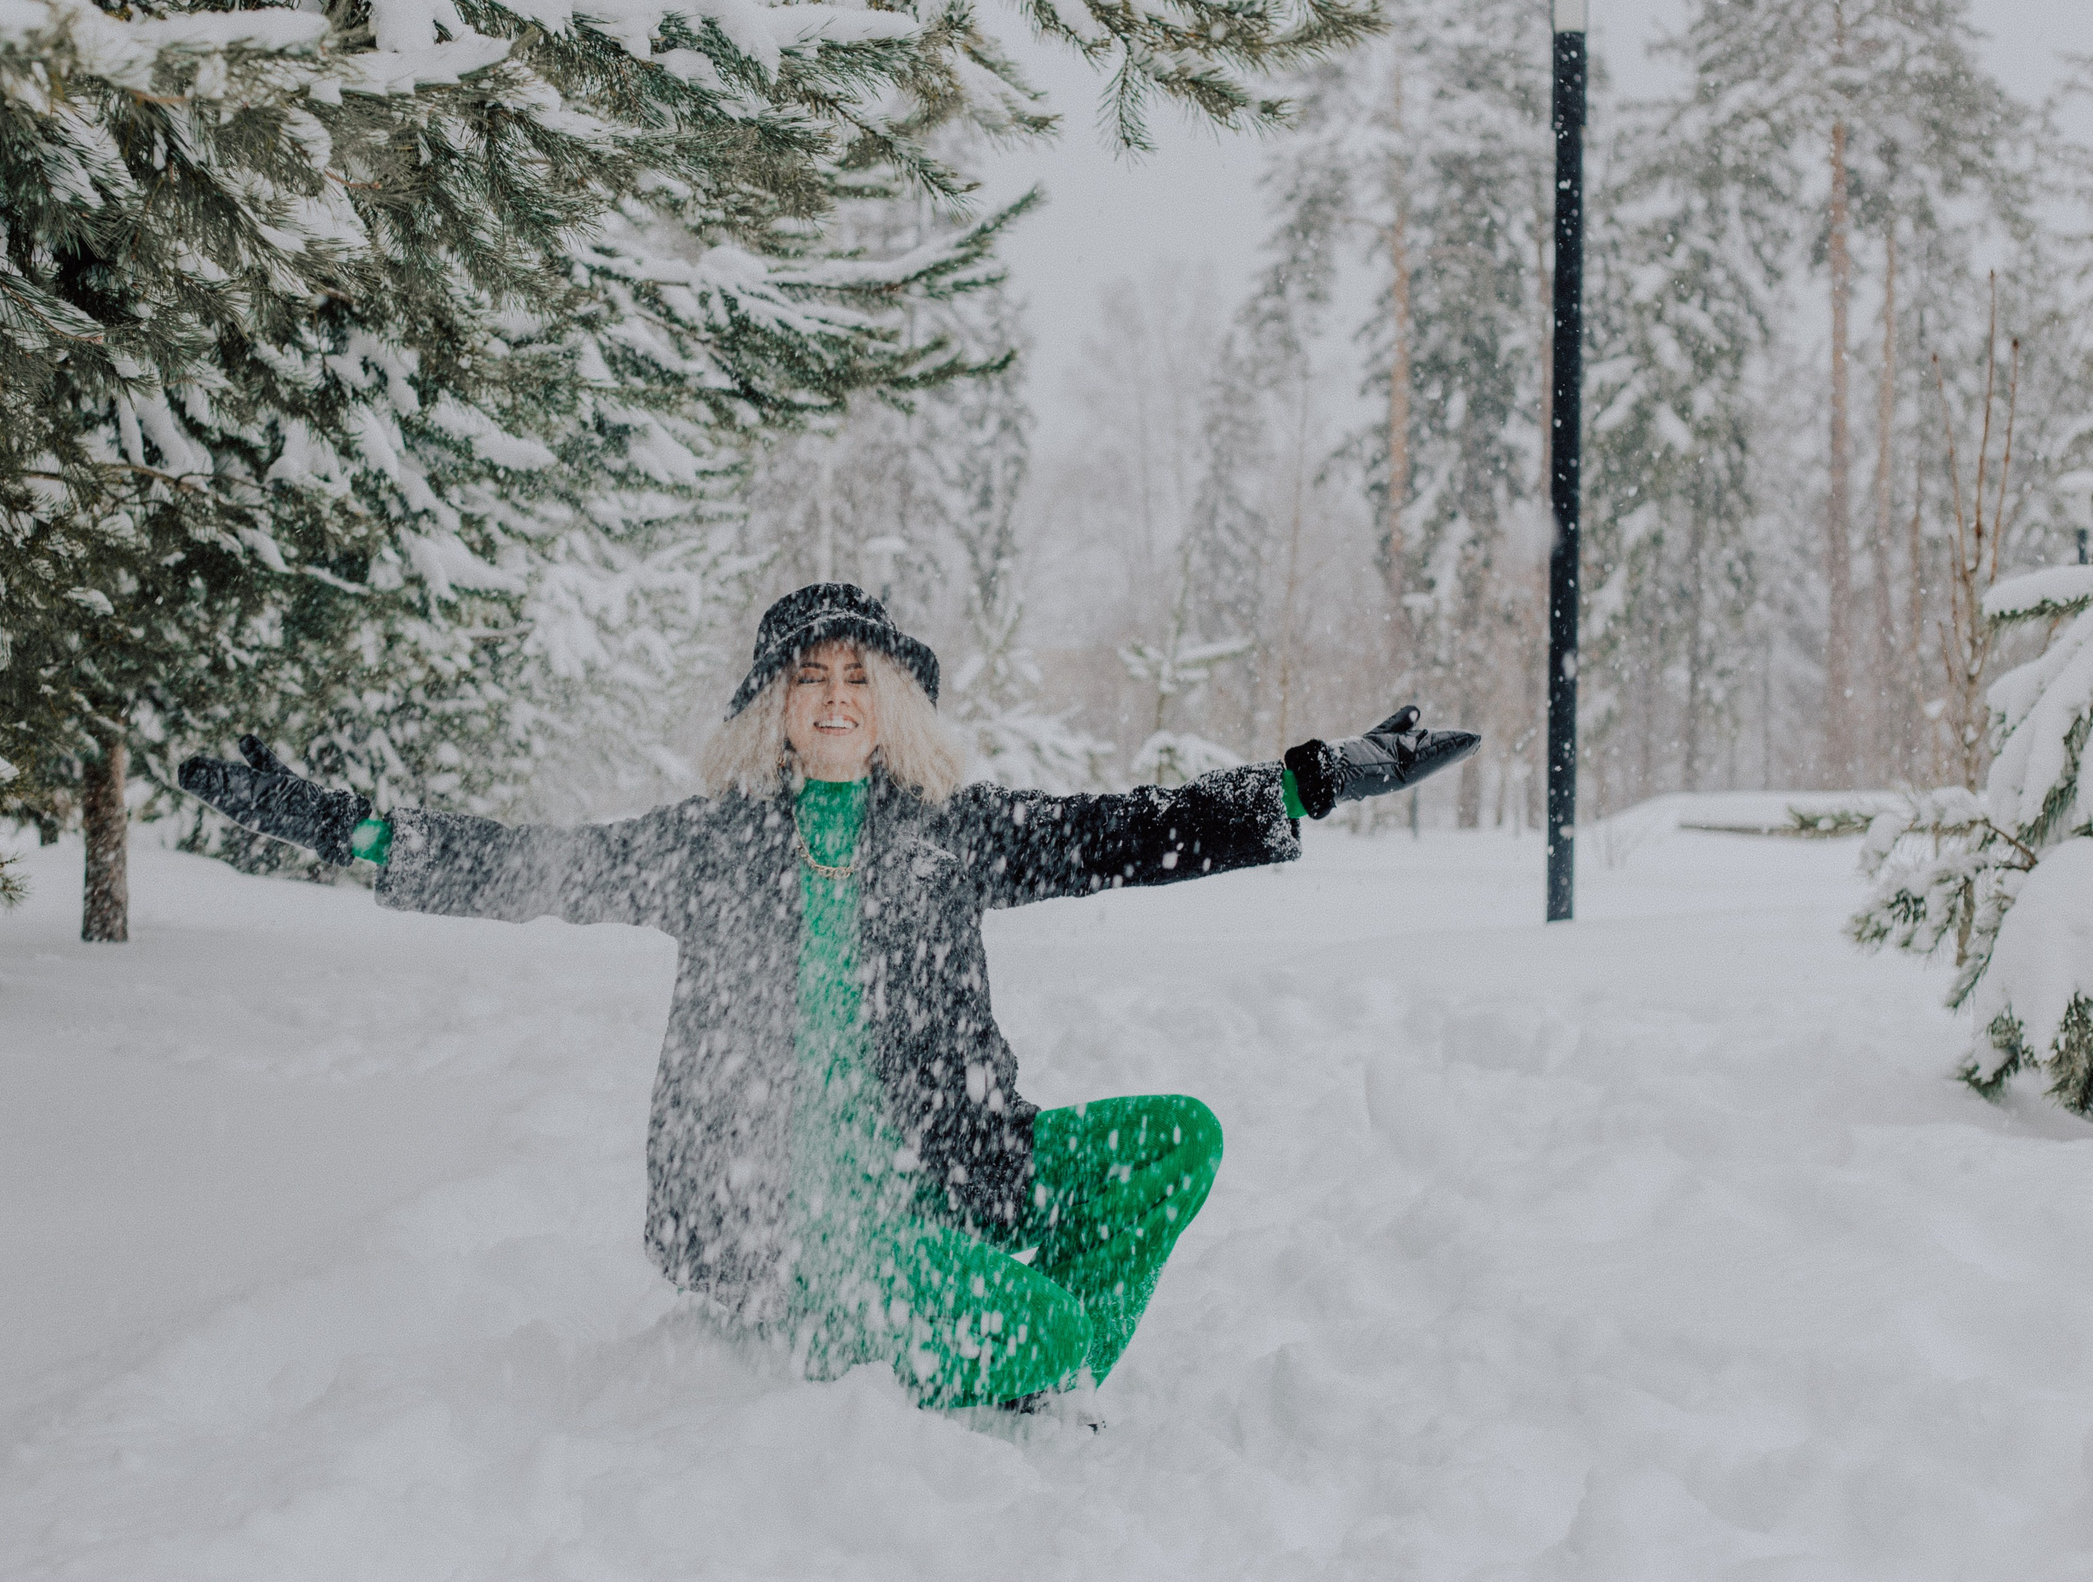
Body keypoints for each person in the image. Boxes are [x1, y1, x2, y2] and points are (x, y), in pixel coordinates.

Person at [179, 583, 1476, 1411]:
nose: (838, 697)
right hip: (788, 1216)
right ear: (776, 709)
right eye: (813, 677)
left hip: (954, 1173)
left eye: (861, 678)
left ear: (893, 704)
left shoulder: (950, 833)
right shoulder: (712, 845)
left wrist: (1312, 780)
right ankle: (1016, 1363)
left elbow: (1131, 831)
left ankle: (1016, 1352)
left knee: (1177, 1141)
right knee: (1038, 1337)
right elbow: (526, 869)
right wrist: (342, 830)